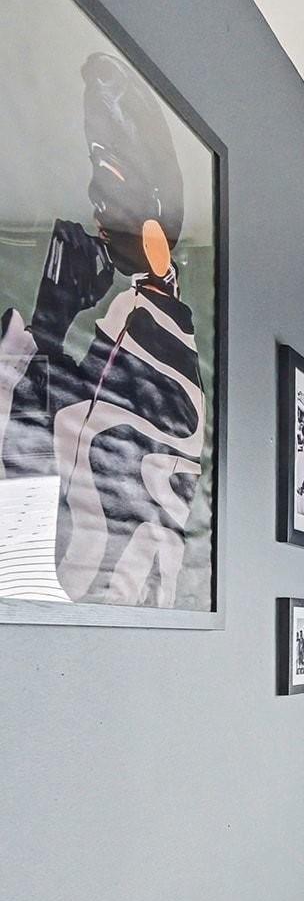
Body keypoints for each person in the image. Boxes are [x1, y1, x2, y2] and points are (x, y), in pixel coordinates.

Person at [0, 52, 206, 607]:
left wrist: (50, 324)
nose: (97, 212)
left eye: (108, 196)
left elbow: (46, 457)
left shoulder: (152, 348)